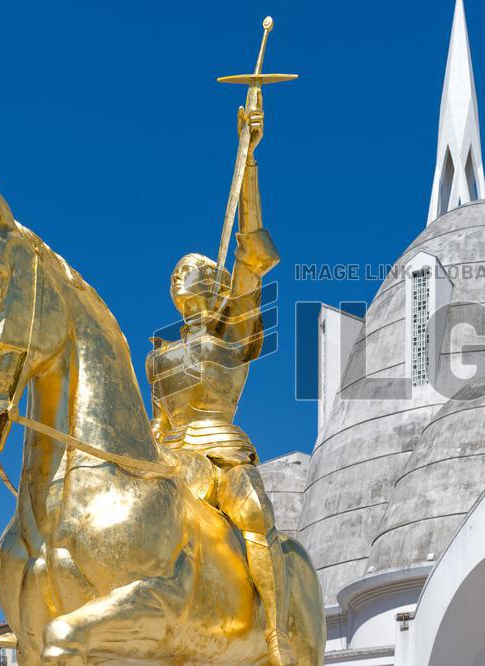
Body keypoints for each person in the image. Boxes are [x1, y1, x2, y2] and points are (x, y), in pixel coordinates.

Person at [145, 92, 295, 666]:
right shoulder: (159, 357)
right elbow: (157, 423)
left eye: (202, 284)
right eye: (184, 288)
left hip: (223, 455)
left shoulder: (234, 339)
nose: (192, 294)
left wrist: (250, 157)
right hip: (172, 458)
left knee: (256, 517)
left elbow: (252, 253)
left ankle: (277, 633)